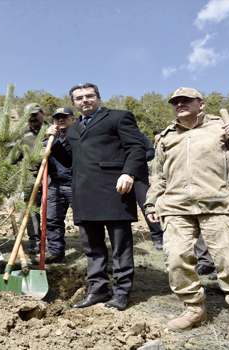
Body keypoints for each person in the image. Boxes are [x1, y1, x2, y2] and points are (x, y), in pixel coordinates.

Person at [145, 87, 229, 347]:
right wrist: (152, 202)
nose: (180, 105)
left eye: (186, 101)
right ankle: (194, 308)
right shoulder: (166, 136)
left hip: (217, 203)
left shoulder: (223, 127)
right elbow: (159, 175)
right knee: (176, 259)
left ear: (201, 104)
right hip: (176, 206)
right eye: (176, 102)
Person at [48, 83, 146, 311]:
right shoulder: (73, 129)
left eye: (89, 96)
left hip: (115, 190)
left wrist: (129, 173)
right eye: (79, 98)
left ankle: (121, 292)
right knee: (92, 247)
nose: (85, 100)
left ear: (99, 98)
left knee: (120, 247)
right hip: (83, 193)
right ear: (74, 103)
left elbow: (136, 148)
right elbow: (71, 160)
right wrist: (53, 144)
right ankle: (98, 289)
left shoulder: (119, 118)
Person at [42, 107, 76, 263]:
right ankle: (55, 251)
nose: (60, 120)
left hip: (75, 184)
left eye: (65, 117)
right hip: (55, 184)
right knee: (52, 218)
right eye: (57, 118)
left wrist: (53, 141)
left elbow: (68, 157)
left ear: (73, 120)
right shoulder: (48, 141)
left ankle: (94, 255)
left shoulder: (78, 137)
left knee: (84, 220)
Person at [20, 103, 48, 255]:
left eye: (35, 114)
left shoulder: (53, 130)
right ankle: (35, 242)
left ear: (42, 114)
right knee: (32, 209)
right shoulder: (22, 134)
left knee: (52, 209)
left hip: (51, 175)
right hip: (30, 176)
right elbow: (13, 156)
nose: (32, 118)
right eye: (29, 115)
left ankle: (52, 241)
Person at [133, 131, 164, 250]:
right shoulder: (113, 135)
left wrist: (136, 159)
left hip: (140, 177)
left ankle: (157, 236)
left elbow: (151, 152)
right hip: (120, 177)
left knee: (147, 206)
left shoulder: (139, 135)